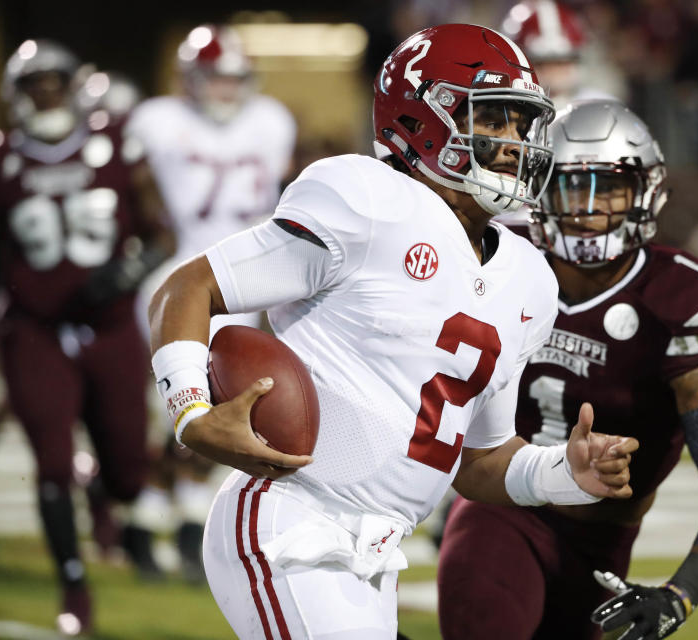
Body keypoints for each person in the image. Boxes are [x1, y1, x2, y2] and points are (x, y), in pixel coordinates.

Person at [148, 24, 639, 639]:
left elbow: (480, 460)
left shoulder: (529, 281)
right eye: (493, 120)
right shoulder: (366, 198)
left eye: (521, 124)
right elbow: (189, 288)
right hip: (292, 523)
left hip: (378, 557)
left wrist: (564, 473)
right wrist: (190, 409)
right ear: (422, 117)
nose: (515, 144)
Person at [438, 99, 698, 640]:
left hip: (605, 545)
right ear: (539, 190)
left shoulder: (679, 298)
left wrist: (678, 596)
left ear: (645, 192)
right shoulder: (500, 259)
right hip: (501, 510)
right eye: (570, 187)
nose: (588, 208)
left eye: (607, 187)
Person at [0, 39, 175, 635]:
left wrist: (126, 273)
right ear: (16, 95)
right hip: (33, 328)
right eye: (33, 85)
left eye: (54, 83)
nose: (46, 94)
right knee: (50, 461)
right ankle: (74, 584)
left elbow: (161, 233)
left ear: (72, 86)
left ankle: (100, 487)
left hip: (110, 327)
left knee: (129, 474)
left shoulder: (117, 145)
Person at [122, 24, 297, 582]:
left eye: (231, 78)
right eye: (212, 78)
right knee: (174, 410)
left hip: (248, 281)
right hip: (177, 277)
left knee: (222, 404)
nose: (223, 89)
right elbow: (131, 193)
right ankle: (148, 519)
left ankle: (172, 519)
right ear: (189, 80)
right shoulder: (156, 122)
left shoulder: (272, 121)